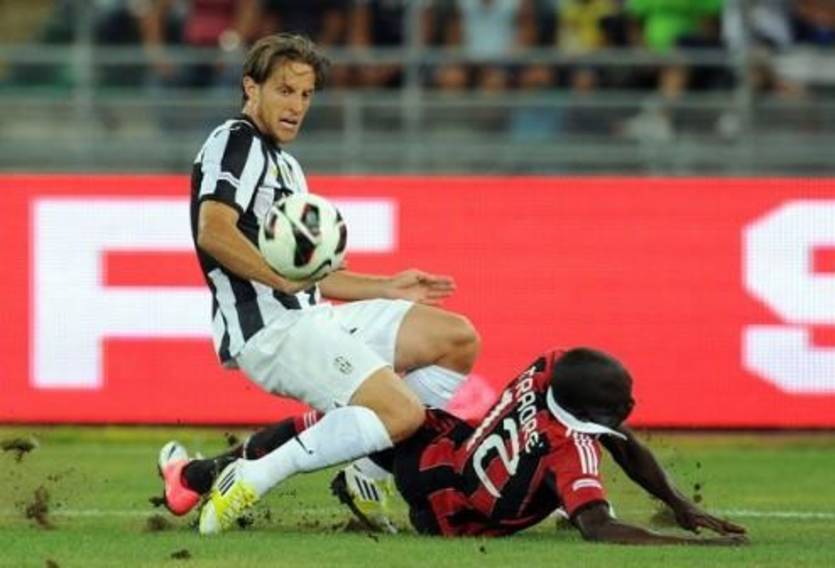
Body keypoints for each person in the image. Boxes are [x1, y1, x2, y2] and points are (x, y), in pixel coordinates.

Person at [175, 33, 480, 535]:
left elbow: (314, 276)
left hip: (311, 318)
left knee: (456, 339)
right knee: (401, 413)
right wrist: (278, 278)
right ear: (251, 88)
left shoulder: (288, 168)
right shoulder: (235, 142)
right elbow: (214, 230)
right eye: (285, 91)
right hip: (270, 332)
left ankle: (365, 472)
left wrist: (388, 286)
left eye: (306, 94)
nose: (297, 106)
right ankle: (251, 476)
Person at [159, 347, 748, 544]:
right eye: (621, 402)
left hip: (445, 454)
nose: (631, 406)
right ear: (589, 414)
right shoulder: (571, 449)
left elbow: (621, 440)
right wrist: (687, 540)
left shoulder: (548, 371)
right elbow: (598, 528)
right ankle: (361, 470)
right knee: (357, 419)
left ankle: (195, 478)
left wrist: (676, 501)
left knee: (348, 417)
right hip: (450, 516)